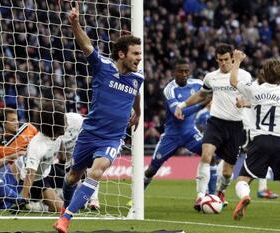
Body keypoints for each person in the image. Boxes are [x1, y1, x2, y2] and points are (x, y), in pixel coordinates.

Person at [54, 2, 143, 232]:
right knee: (73, 177)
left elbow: (136, 95)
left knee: (97, 171)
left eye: (140, 54)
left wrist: (139, 111)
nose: (139, 58)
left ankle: (66, 219)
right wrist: (75, 23)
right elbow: (87, 45)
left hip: (112, 138)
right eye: (135, 54)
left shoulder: (137, 78)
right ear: (122, 54)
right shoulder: (103, 67)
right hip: (90, 133)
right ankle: (66, 207)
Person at [229, 50, 280, 221]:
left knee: (243, 179)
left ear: (264, 73)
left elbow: (233, 81)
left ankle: (245, 196)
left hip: (259, 140)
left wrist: (237, 61)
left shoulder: (255, 90)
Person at [174, 43, 252, 210]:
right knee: (206, 155)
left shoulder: (244, 76)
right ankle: (200, 196)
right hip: (216, 122)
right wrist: (182, 105)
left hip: (236, 126)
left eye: (226, 60)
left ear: (232, 58)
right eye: (219, 60)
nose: (223, 63)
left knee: (226, 173)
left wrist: (244, 102)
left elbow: (253, 99)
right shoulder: (211, 77)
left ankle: (220, 191)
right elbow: (202, 94)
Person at [143, 59, 208, 191]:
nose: (184, 74)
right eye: (180, 71)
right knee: (151, 170)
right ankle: (135, 197)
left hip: (190, 133)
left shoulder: (197, 84)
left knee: (209, 156)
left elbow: (211, 92)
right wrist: (202, 104)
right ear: (174, 72)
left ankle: (205, 196)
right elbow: (179, 113)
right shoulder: (169, 89)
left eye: (186, 71)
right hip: (171, 136)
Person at [16, 101, 66, 213]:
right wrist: (22, 199)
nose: (65, 121)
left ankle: (45, 200)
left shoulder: (57, 135)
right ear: (56, 122)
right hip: (36, 180)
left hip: (48, 171)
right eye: (63, 118)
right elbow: (30, 174)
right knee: (60, 208)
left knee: (75, 187)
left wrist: (63, 161)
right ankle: (36, 204)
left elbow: (60, 146)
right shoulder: (37, 145)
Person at [237, 97, 279, 199]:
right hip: (245, 128)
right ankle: (219, 190)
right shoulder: (246, 87)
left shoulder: (254, 90)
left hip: (251, 128)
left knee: (263, 155)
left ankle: (262, 189)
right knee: (231, 159)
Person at [0, 108, 38, 182]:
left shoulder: (28, 127)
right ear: (4, 123)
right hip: (24, 178)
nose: (17, 122)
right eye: (13, 120)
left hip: (42, 168)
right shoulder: (0, 148)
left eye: (16, 119)